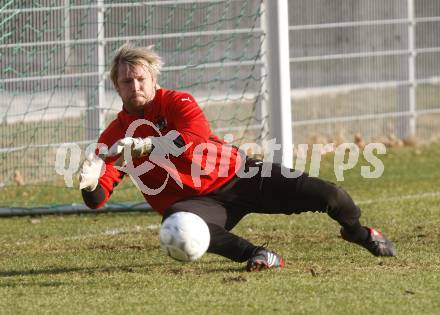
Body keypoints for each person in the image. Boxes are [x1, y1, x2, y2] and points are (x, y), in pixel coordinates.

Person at [79, 44, 396, 272]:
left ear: (153, 80)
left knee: (330, 195)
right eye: (126, 81)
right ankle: (259, 255)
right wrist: (90, 182)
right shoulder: (114, 135)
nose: (134, 86)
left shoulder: (177, 101)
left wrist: (147, 146)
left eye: (140, 79)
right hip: (201, 203)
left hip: (239, 176)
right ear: (116, 87)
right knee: (178, 220)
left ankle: (357, 232)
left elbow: (193, 137)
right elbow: (98, 198)